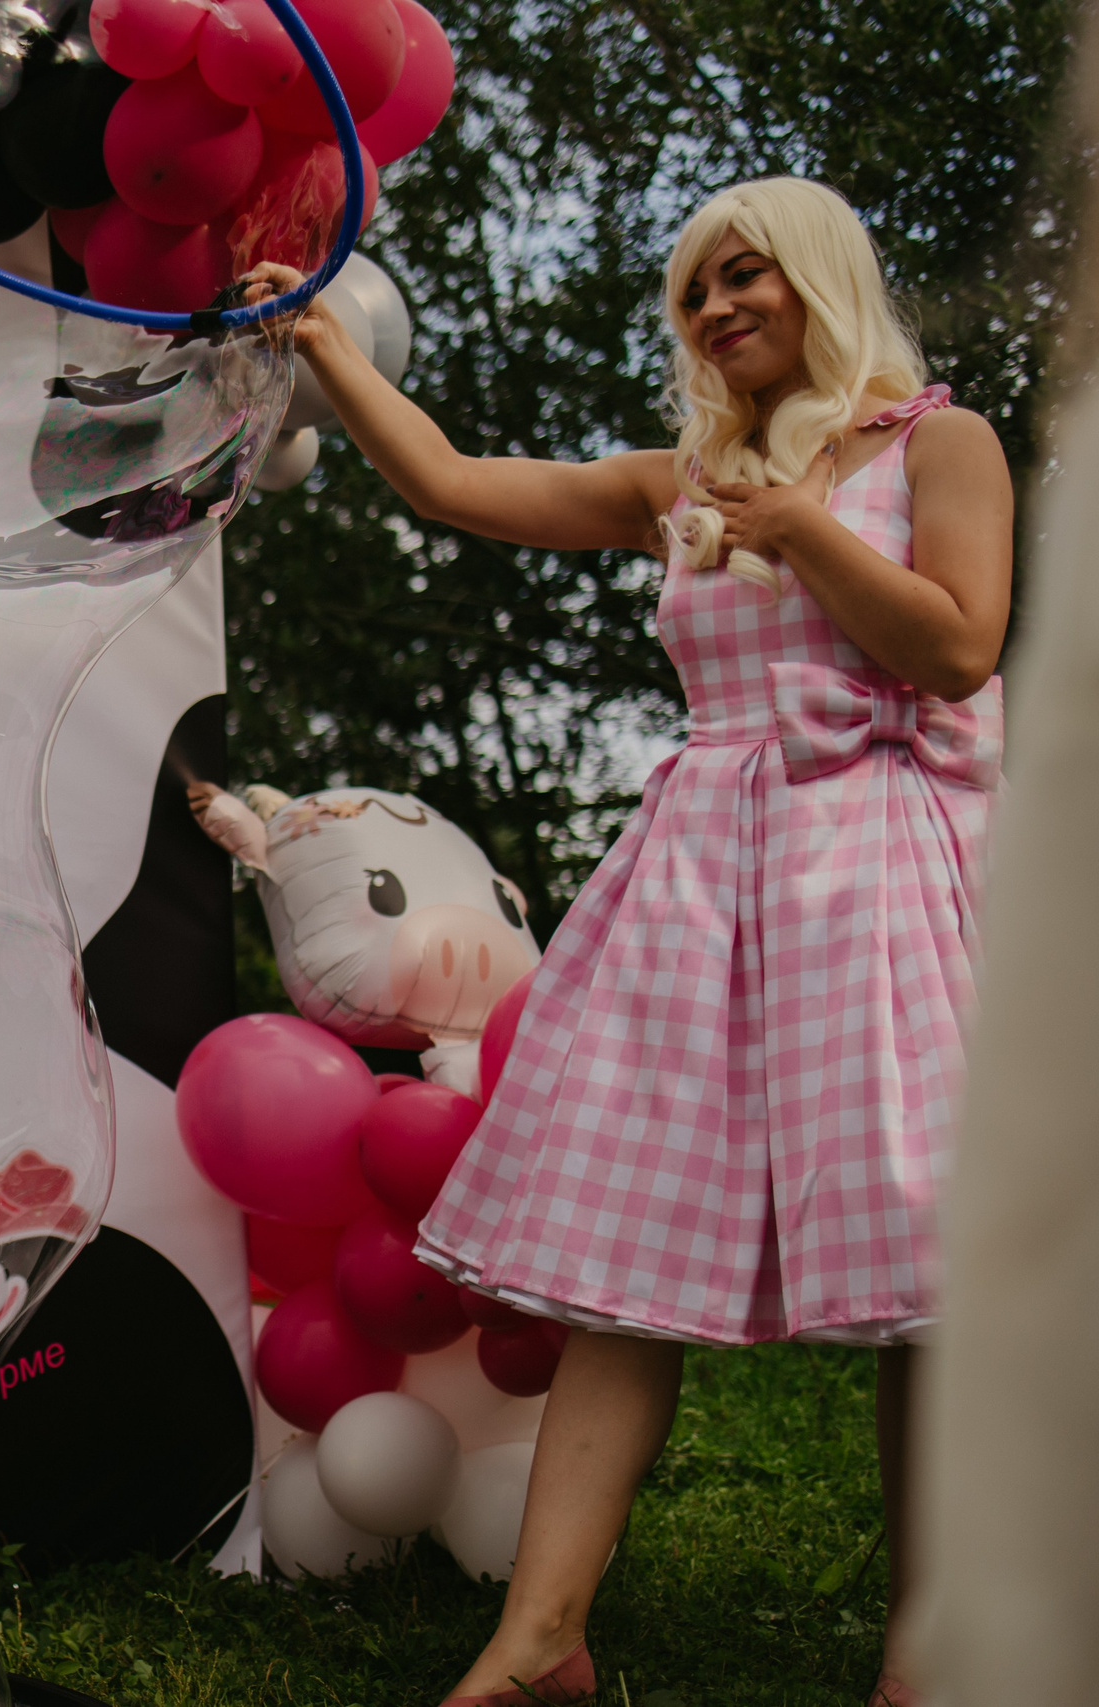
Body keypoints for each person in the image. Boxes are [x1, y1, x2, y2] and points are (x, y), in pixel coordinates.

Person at [246, 177, 1012, 1707]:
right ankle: (541, 1642)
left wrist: (802, 528)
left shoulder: (937, 439)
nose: (719, 310)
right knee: (618, 1263)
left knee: (934, 1276)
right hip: (702, 886)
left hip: (879, 880)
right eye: (695, 293)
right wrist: (332, 353)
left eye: (748, 278)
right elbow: (458, 485)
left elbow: (958, 641)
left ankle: (932, 1655)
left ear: (819, 275)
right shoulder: (686, 479)